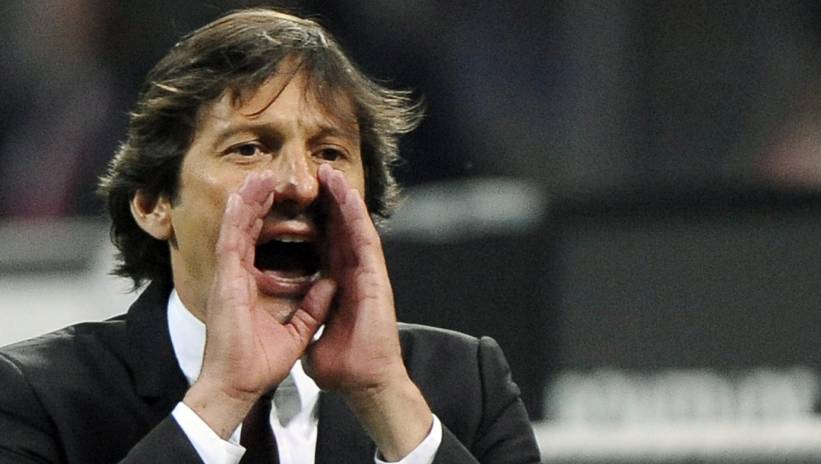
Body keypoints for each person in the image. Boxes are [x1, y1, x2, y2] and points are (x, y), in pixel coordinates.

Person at [0, 8, 540, 464]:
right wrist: (219, 403)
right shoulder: (33, 396)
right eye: (249, 148)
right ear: (153, 203)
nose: (301, 184)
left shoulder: (464, 386)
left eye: (330, 153)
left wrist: (386, 401)